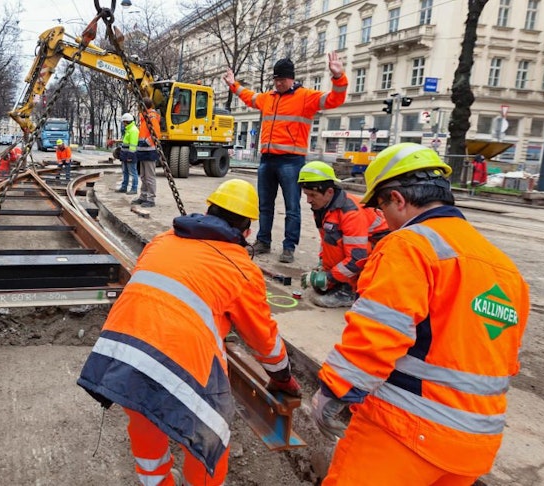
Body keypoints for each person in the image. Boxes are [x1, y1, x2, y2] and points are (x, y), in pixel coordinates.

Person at [310, 143, 529, 485]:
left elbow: (379, 333)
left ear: (397, 199)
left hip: (406, 431)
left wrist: (333, 392)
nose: (382, 220)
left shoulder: (409, 246)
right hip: (476, 446)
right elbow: (503, 357)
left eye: (381, 207)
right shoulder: (503, 267)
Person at [78, 179, 301, 486]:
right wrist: (283, 377)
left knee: (145, 425)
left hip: (122, 353)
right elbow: (262, 340)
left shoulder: (161, 241)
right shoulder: (241, 269)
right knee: (210, 436)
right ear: (246, 231)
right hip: (181, 360)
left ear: (208, 210)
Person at [223, 54, 348, 263]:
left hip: (292, 160)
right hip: (267, 160)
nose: (279, 83)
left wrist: (338, 77)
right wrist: (233, 84)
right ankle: (263, 240)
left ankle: (289, 247)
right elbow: (249, 96)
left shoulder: (306, 97)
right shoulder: (268, 98)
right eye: (276, 79)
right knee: (265, 205)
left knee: (292, 207)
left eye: (282, 79)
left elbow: (335, 99)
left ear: (292, 79)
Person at [297, 161, 389, 308]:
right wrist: (322, 266)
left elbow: (357, 258)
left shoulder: (350, 212)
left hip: (383, 250)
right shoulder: (322, 208)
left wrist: (328, 278)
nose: (308, 200)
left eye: (312, 195)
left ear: (329, 192)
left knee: (339, 242)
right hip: (367, 247)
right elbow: (325, 241)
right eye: (306, 195)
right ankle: (341, 283)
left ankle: (349, 291)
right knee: (333, 240)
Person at [133, 97, 162, 208]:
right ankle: (143, 196)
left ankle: (150, 198)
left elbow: (156, 134)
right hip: (143, 151)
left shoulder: (151, 117)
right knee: (144, 176)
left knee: (149, 176)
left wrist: (147, 142)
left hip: (149, 151)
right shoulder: (144, 117)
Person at [117, 113, 139, 194]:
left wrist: (130, 156)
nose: (123, 124)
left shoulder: (133, 130)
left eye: (123, 122)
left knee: (133, 172)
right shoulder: (128, 130)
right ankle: (124, 187)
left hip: (130, 155)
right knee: (125, 172)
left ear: (126, 121)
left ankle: (134, 189)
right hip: (125, 154)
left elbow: (133, 145)